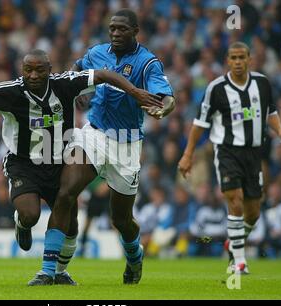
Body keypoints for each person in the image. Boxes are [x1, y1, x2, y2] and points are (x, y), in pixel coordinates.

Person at [0, 49, 160, 284]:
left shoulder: (65, 85)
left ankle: (57, 273)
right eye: (28, 70)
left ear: (50, 70)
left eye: (39, 70)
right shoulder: (10, 92)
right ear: (21, 70)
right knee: (30, 214)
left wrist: (135, 92)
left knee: (70, 220)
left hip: (59, 160)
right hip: (24, 164)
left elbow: (104, 74)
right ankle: (23, 227)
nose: (34, 75)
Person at [29, 9, 175, 286]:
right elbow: (76, 68)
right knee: (65, 192)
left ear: (135, 31)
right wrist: (77, 90)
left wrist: (163, 111)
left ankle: (134, 256)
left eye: (122, 29)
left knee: (121, 220)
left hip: (127, 143)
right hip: (93, 135)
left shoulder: (147, 63)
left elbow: (167, 98)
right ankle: (49, 270)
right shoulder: (97, 52)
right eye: (112, 29)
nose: (116, 34)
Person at [178, 42, 281, 274]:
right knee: (235, 199)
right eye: (233, 58)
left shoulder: (262, 83)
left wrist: (279, 131)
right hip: (227, 151)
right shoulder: (216, 88)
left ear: (250, 59)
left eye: (242, 57)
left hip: (254, 153)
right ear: (227, 61)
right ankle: (238, 261)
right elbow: (200, 124)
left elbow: (270, 111)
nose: (238, 62)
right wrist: (188, 155)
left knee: (253, 212)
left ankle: (235, 242)